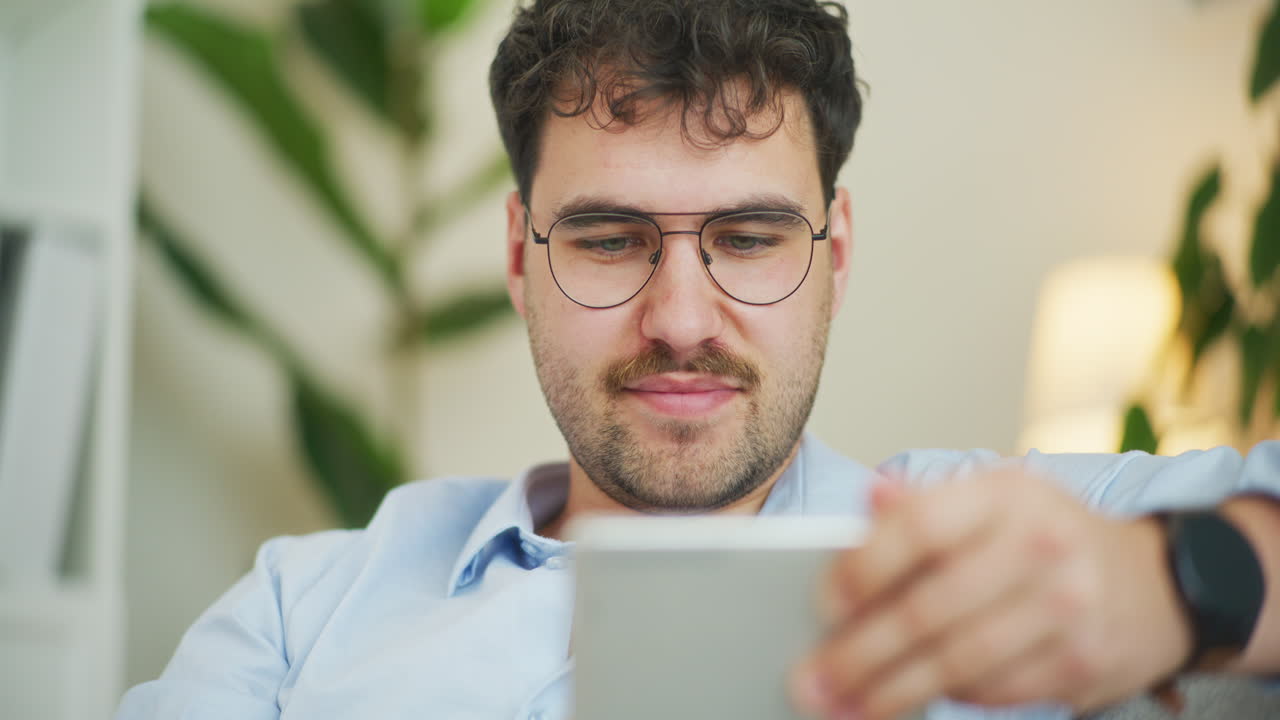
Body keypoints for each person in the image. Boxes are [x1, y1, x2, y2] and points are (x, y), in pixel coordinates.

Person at [117, 1, 1280, 718]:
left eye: (750, 238)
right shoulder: (301, 608)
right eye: (611, 240)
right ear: (521, 258)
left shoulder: (1008, 544)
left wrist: (1180, 583)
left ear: (834, 255)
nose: (680, 317)